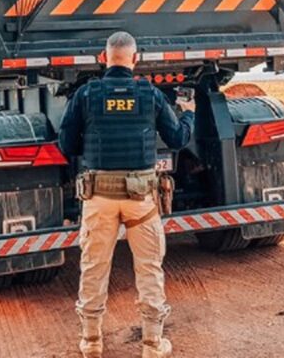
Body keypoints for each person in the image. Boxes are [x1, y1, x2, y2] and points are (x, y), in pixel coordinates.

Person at [59, 31, 195, 358]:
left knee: (93, 268)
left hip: (98, 197)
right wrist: (188, 112)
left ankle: (91, 342)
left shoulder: (86, 94)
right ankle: (152, 344)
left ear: (103, 58)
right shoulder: (149, 94)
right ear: (136, 59)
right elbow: (176, 139)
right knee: (149, 269)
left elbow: (66, 144)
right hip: (141, 200)